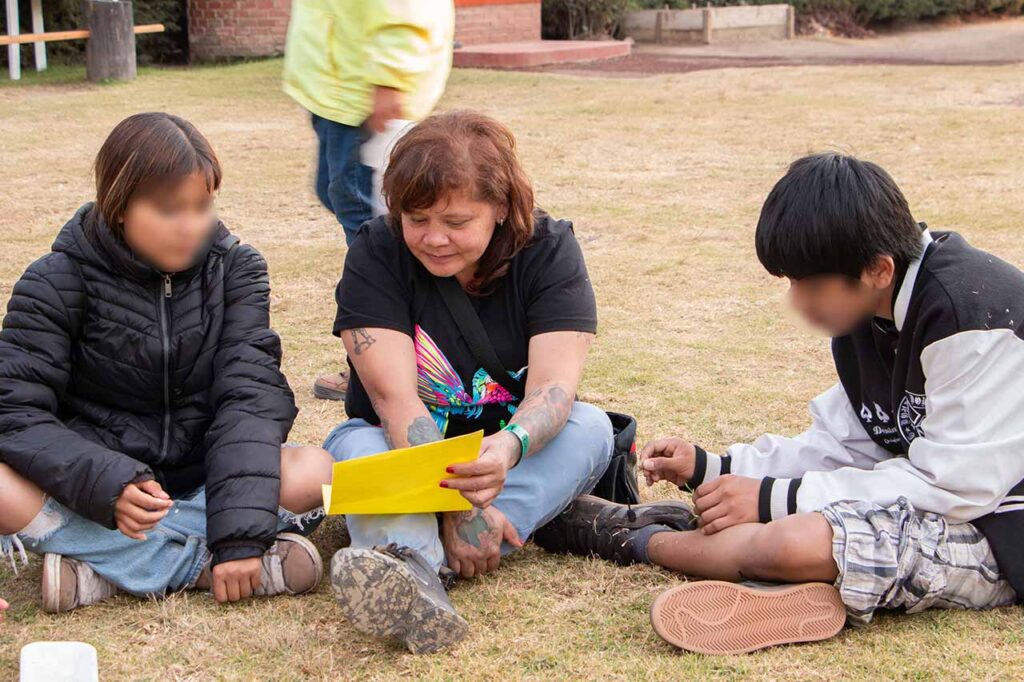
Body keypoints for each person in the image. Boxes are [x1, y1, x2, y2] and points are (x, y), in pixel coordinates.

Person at [535, 153, 1024, 654]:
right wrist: (715, 467)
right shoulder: (870, 314)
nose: (797, 302)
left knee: (795, 540)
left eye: (810, 286)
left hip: (1002, 527)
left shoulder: (971, 314)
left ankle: (632, 538)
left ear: (877, 269)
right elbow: (845, 443)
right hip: (941, 501)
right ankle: (779, 583)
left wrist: (770, 498)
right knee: (787, 528)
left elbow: (955, 487)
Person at [0, 113, 332, 613]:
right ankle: (191, 568)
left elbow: (250, 395)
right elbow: (14, 412)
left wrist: (238, 535)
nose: (190, 226)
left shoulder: (238, 269)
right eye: (168, 210)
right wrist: (106, 483)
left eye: (201, 206)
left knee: (316, 472)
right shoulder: (54, 282)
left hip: (206, 477)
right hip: (96, 488)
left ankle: (103, 568)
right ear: (119, 205)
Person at [318, 110, 615, 654]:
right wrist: (457, 505)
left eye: (456, 223)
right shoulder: (375, 252)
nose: (434, 239)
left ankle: (428, 553)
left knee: (591, 427)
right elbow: (395, 402)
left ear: (500, 207)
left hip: (502, 461)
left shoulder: (549, 252)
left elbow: (553, 390)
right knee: (357, 450)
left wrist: (503, 453)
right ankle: (421, 563)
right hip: (397, 443)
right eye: (416, 219)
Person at [282, 0, 455, 403]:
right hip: (339, 89)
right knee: (351, 210)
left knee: (381, 238)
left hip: (366, 96)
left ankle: (391, 365)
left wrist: (390, 80)